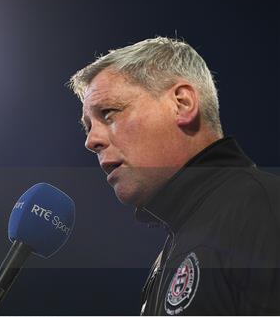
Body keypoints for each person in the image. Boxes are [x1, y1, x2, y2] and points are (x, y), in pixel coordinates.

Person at [68, 37, 280, 315]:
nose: (91, 141)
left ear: (182, 103)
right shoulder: (175, 248)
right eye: (88, 127)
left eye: (108, 113)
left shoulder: (263, 208)